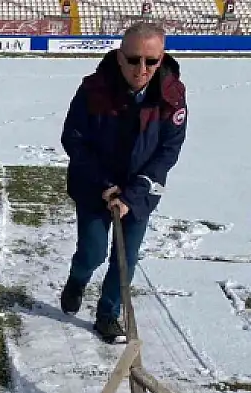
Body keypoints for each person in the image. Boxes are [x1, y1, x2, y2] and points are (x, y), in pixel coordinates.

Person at [59, 22, 187, 343]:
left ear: (162, 58)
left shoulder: (171, 97)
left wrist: (132, 194)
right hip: (94, 186)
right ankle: (77, 279)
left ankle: (108, 314)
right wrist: (104, 184)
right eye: (133, 60)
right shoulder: (94, 89)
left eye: (151, 61)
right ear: (119, 57)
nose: (141, 69)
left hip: (140, 191)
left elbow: (167, 152)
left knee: (125, 258)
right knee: (93, 251)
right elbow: (74, 139)